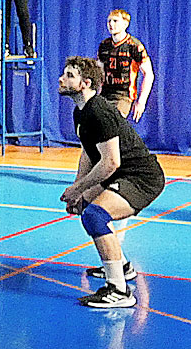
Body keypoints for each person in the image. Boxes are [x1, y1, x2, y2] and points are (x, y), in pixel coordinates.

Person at [58, 56, 165, 308]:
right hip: (121, 174)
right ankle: (123, 267)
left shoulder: (100, 111)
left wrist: (78, 188)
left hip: (141, 178)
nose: (61, 79)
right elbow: (88, 153)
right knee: (85, 207)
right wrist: (78, 189)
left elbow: (111, 162)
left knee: (95, 216)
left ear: (85, 83)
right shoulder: (81, 112)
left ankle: (119, 290)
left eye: (69, 76)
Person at [98, 9, 154, 121]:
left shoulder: (134, 46)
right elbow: (99, 71)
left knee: (112, 122)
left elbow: (149, 74)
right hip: (104, 93)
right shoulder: (104, 45)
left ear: (125, 24)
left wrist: (141, 102)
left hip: (123, 95)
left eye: (115, 21)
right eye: (109, 21)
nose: (111, 24)